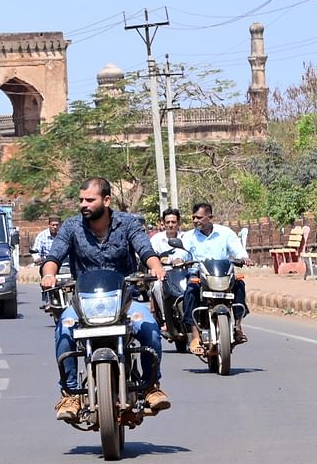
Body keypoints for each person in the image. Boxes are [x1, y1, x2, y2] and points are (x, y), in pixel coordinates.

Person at [40, 177, 170, 422]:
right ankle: (70, 394)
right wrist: (49, 274)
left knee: (150, 328)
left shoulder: (128, 224)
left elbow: (145, 250)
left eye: (90, 200)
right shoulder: (71, 227)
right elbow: (54, 255)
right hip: (83, 306)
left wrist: (156, 267)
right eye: (81, 200)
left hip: (125, 303)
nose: (84, 205)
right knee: (64, 331)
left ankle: (150, 386)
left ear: (106, 200)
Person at [180, 202, 251, 354]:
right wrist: (177, 260)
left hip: (222, 274)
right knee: (190, 290)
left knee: (239, 284)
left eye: (199, 217)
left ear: (210, 217)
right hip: (199, 275)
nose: (195, 220)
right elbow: (180, 253)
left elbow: (237, 249)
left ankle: (238, 327)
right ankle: (194, 336)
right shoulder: (189, 236)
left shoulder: (225, 233)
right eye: (193, 217)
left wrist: (244, 258)